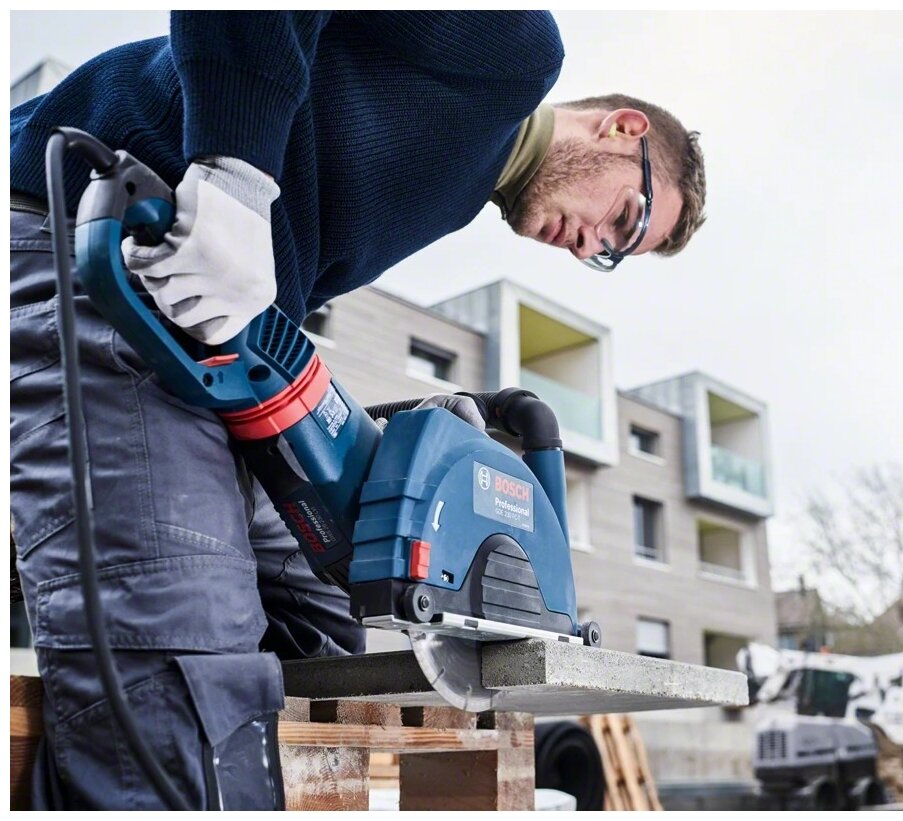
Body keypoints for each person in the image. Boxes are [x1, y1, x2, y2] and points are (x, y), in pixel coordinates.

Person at [9, 11, 707, 809]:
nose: (593, 248)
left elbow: (269, 304)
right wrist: (236, 170)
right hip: (101, 238)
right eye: (622, 219)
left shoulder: (454, 189)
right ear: (623, 130)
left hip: (195, 331)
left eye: (613, 255)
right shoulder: (514, 53)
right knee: (180, 644)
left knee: (324, 619)